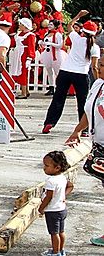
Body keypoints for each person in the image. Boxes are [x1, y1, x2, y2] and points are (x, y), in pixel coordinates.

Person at [65, 56, 104, 247]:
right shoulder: (98, 84)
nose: (98, 67)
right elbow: (89, 112)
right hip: (99, 144)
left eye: (103, 65)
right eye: (99, 64)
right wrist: (77, 130)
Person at [44, 11, 101, 134]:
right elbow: (94, 67)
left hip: (65, 72)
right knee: (83, 102)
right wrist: (98, 81)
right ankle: (84, 128)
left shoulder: (75, 38)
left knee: (58, 98)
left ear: (82, 30)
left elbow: (69, 25)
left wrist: (78, 15)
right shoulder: (94, 47)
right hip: (81, 74)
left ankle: (49, 123)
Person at [38, 151, 73, 256]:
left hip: (53, 211)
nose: (44, 168)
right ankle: (61, 250)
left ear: (57, 167)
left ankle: (55, 252)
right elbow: (70, 186)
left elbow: (49, 197)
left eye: (47, 166)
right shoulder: (62, 177)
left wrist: (41, 208)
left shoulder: (51, 181)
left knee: (54, 233)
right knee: (61, 232)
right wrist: (63, 196)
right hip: (62, 209)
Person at [9, 18, 36, 99]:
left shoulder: (30, 35)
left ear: (25, 26)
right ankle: (26, 91)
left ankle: (23, 92)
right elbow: (13, 44)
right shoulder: (18, 34)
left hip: (24, 55)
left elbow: (31, 47)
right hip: (17, 55)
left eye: (21, 24)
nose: (19, 25)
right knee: (18, 72)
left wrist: (30, 58)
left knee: (23, 73)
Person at [40, 20, 66, 96]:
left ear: (55, 26)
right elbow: (45, 45)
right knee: (49, 71)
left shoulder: (58, 34)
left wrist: (51, 44)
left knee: (57, 72)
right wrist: (42, 43)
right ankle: (51, 87)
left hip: (56, 54)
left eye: (51, 25)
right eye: (49, 24)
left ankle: (59, 88)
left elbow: (60, 46)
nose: (49, 26)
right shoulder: (46, 34)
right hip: (48, 54)